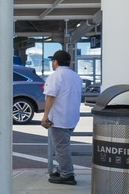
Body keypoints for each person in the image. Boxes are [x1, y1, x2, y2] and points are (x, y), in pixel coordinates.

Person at [41, 50, 83, 186]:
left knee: (61, 148)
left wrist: (45, 116)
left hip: (59, 118)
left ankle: (67, 175)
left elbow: (50, 96)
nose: (52, 64)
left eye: (52, 61)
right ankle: (61, 170)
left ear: (56, 62)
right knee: (63, 146)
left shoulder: (56, 75)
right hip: (72, 117)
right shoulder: (75, 76)